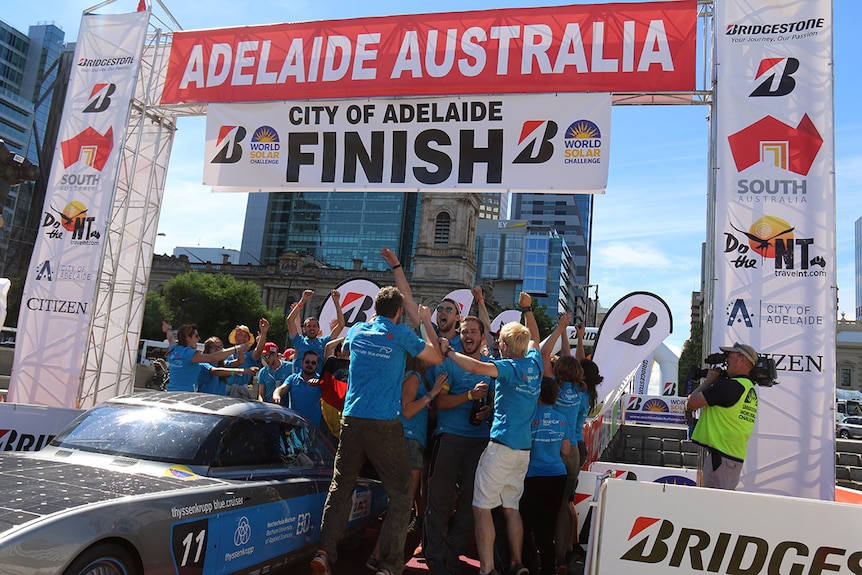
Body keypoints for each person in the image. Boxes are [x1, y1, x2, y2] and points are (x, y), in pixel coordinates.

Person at [311, 288, 443, 575]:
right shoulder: (400, 334)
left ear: (375, 310)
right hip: (383, 422)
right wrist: (425, 323)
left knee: (341, 485)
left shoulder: (359, 330)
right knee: (401, 492)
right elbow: (435, 358)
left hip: (352, 419)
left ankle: (323, 553)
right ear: (398, 313)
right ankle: (389, 565)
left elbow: (340, 349)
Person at [439, 292, 541, 575]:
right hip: (523, 451)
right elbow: (534, 335)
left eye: (500, 342)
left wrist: (448, 351)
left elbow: (473, 365)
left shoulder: (508, 367)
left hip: (500, 446)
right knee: (511, 508)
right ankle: (517, 563)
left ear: (506, 345)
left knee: (481, 507)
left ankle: (487, 569)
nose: (497, 345)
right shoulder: (534, 362)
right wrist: (527, 309)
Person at [423, 315, 493, 575]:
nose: (468, 336)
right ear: (459, 335)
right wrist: (468, 396)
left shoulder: (490, 366)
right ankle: (435, 556)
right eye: (464, 332)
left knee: (469, 504)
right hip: (449, 437)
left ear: (482, 338)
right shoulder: (449, 364)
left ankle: (453, 553)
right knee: (439, 501)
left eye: (474, 332)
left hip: (479, 443)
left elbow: (495, 405)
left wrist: (487, 409)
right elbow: (440, 404)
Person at [367, 357, 445, 573]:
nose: (434, 359)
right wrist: (433, 393)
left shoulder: (413, 378)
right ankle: (386, 560)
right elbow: (408, 410)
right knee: (402, 505)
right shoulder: (413, 377)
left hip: (408, 441)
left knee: (401, 504)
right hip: (408, 442)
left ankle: (378, 555)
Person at [540, 313, 587, 568]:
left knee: (542, 504)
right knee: (563, 505)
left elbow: (546, 353)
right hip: (574, 451)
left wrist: (560, 329)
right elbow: (574, 361)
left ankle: (542, 552)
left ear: (557, 370)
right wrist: (575, 336)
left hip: (550, 447)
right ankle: (561, 559)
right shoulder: (582, 392)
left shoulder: (552, 388)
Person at [686, 342, 759, 490]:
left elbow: (691, 403)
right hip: (732, 458)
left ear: (742, 359)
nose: (726, 360)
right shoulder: (748, 387)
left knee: (712, 506)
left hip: (720, 459)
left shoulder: (730, 386)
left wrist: (708, 381)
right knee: (721, 504)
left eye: (729, 356)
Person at [520, 377, 569, 575]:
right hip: (557, 475)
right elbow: (566, 450)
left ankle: (528, 567)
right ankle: (548, 569)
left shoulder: (528, 417)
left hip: (532, 476)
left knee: (526, 525)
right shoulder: (562, 418)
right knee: (547, 528)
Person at [163, 322, 250, 392]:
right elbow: (214, 361)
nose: (199, 338)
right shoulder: (191, 355)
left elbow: (171, 339)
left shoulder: (174, 349)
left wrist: (168, 329)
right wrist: (237, 349)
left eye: (220, 347)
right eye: (196, 336)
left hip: (172, 393)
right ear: (187, 338)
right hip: (184, 397)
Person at [287, 289, 345, 375]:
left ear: (318, 329)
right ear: (304, 329)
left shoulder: (324, 342)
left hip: (316, 384)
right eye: (309, 326)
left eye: (314, 326)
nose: (312, 328)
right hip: (299, 383)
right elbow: (290, 321)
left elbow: (341, 325)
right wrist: (303, 300)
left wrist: (336, 303)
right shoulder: (299, 341)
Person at [275, 350, 323, 427]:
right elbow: (281, 389)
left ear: (317, 365)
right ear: (302, 362)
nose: (310, 365)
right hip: (294, 426)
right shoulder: (292, 378)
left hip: (313, 429)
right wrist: (277, 395)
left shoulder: (321, 381)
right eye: (307, 362)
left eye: (313, 363)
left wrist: (320, 383)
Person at [225, 318, 269, 388]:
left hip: (241, 390)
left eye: (245, 336)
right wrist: (238, 371)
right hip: (225, 389)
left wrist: (263, 333)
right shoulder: (227, 354)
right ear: (236, 338)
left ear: (248, 341)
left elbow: (258, 351)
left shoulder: (249, 356)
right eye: (240, 335)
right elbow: (225, 370)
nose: (243, 338)